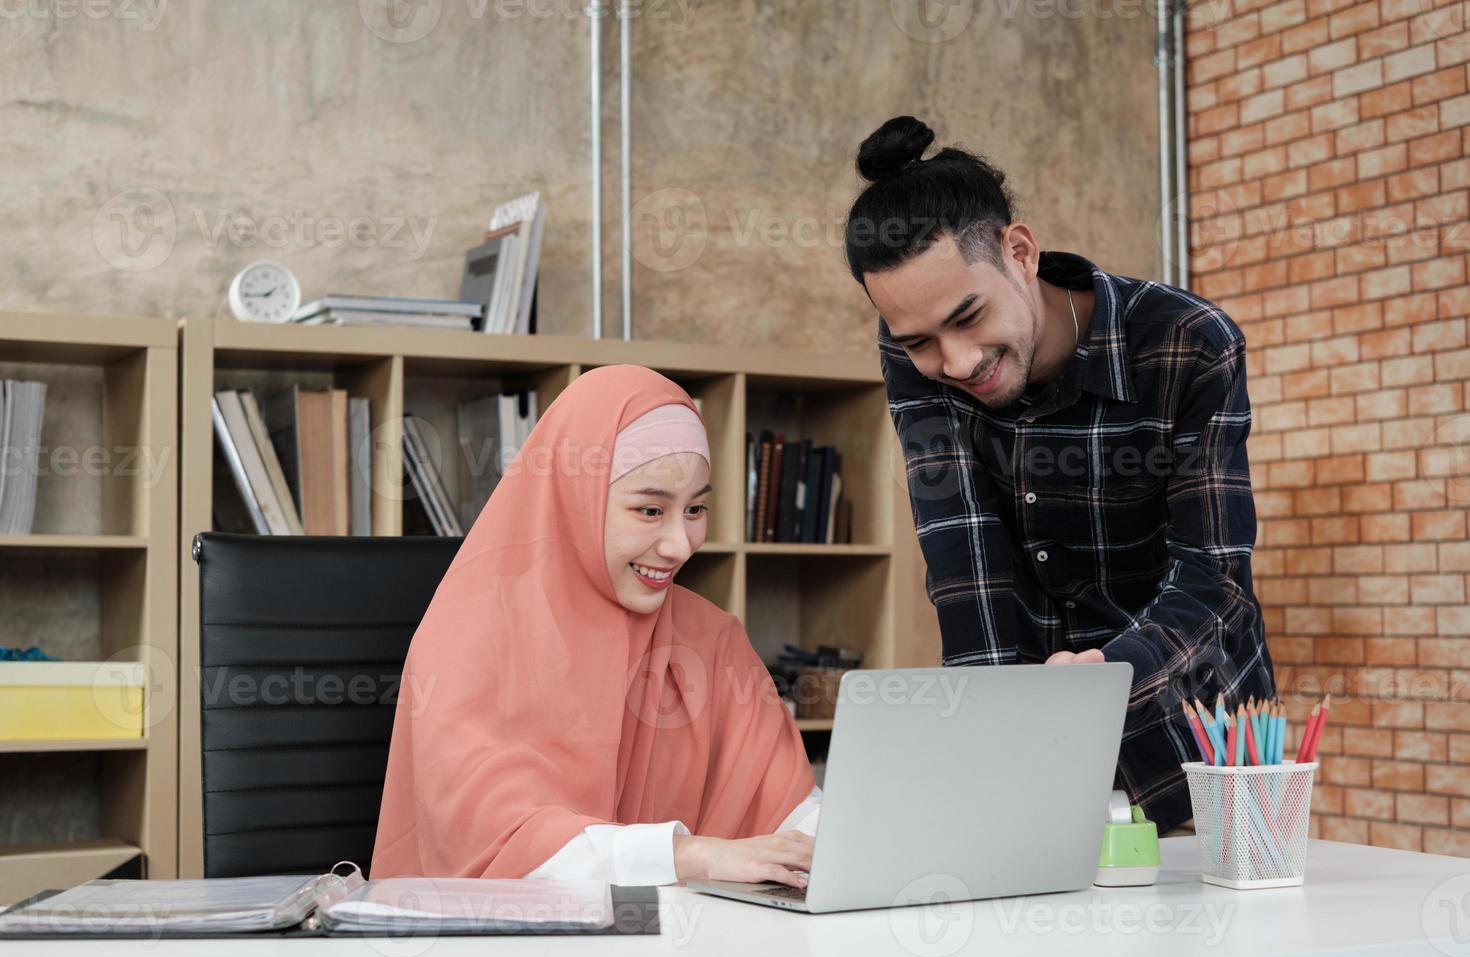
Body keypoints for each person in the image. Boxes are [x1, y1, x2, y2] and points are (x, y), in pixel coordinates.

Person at [843, 116, 1275, 832]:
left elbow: (1214, 577)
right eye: (918, 341)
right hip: (1038, 745)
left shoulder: (1189, 343)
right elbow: (965, 556)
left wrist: (1105, 678)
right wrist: (989, 744)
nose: (955, 363)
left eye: (969, 316)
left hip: (1196, 737)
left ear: (1020, 250)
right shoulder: (911, 356)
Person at [372, 364, 819, 886]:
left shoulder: (710, 636)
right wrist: (688, 855)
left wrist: (845, 842)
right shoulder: (468, 636)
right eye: (650, 510)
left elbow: (786, 807)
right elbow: (498, 851)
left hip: (676, 951)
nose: (680, 545)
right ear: (574, 497)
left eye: (695, 508)